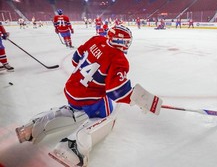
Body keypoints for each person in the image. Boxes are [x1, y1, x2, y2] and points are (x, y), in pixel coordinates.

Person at [15, 25, 162, 167]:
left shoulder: (96, 40)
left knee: (74, 108)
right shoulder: (119, 59)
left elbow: (75, 60)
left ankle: (35, 125)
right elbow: (117, 92)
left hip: (71, 89)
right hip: (89, 97)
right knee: (106, 115)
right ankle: (73, 147)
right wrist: (137, 99)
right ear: (122, 42)